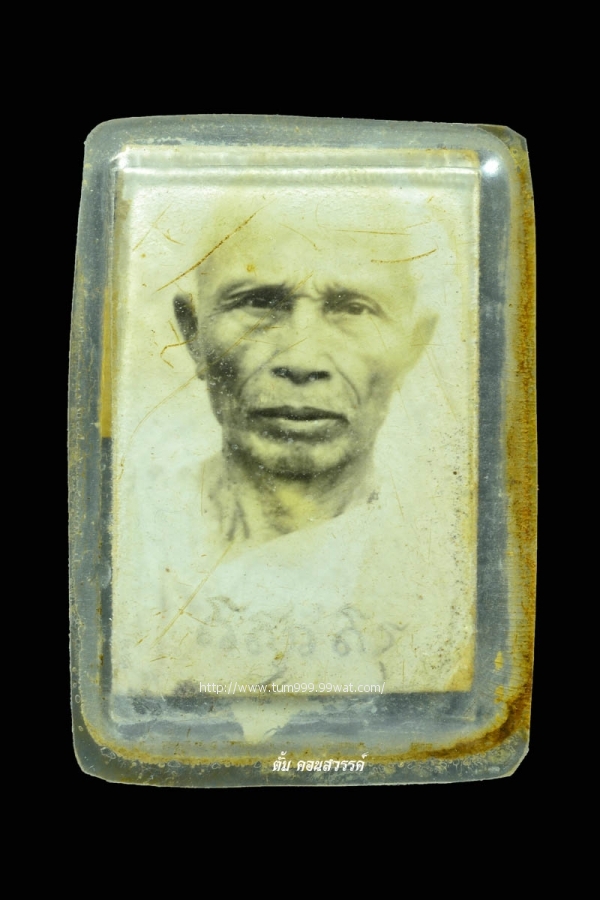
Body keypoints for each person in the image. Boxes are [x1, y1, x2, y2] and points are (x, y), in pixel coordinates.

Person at [112, 193, 475, 730]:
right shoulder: (123, 538)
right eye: (259, 302)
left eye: (354, 308)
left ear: (412, 345)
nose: (301, 361)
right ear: (192, 333)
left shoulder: (454, 573)